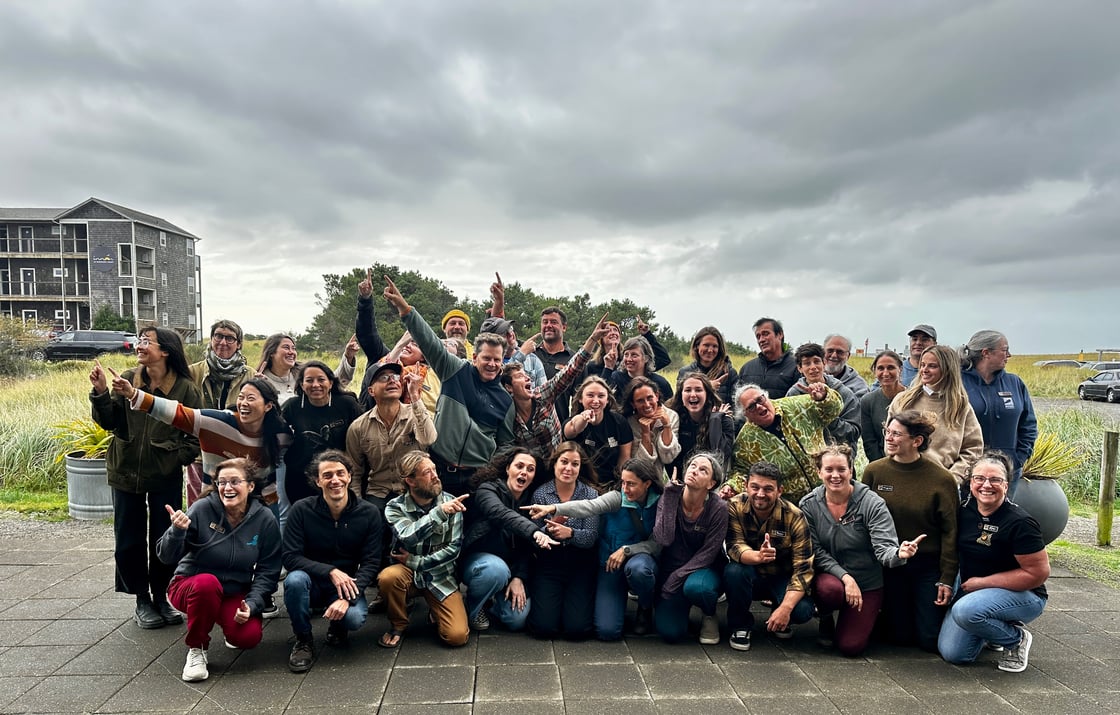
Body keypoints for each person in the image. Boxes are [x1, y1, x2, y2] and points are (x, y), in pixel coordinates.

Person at [89, 326, 201, 630]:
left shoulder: (185, 388)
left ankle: (162, 596)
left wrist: (174, 459)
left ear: (165, 350)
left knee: (165, 536)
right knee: (128, 538)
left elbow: (195, 434)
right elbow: (109, 422)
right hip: (124, 469)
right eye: (139, 340)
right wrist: (100, 392)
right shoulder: (128, 376)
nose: (139, 345)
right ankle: (141, 598)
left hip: (164, 475)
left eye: (146, 341)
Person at [382, 275, 514, 495]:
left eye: (497, 360)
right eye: (486, 358)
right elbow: (430, 343)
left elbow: (506, 443)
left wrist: (491, 470)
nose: (491, 364)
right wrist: (406, 310)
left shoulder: (505, 400)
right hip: (438, 468)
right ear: (474, 357)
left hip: (477, 476)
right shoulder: (456, 370)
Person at [157, 458, 282, 682]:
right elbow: (166, 557)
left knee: (248, 638)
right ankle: (197, 648)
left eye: (235, 481)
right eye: (222, 482)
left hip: (233, 591)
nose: (227, 488)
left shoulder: (264, 519)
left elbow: (269, 570)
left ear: (250, 486)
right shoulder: (202, 509)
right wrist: (176, 531)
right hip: (191, 585)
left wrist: (253, 604)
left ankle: (217, 619)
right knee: (207, 584)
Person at [799, 445, 923, 656]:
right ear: (819, 472)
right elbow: (815, 551)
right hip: (832, 578)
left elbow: (883, 548)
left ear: (851, 470)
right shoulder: (809, 505)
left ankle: (868, 615)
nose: (835, 475)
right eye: (829, 470)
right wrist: (845, 578)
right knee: (829, 590)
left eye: (841, 469)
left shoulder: (872, 503)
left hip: (866, 581)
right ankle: (826, 616)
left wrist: (898, 554)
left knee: (850, 646)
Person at [526, 456, 663, 640]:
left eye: (631, 484)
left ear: (647, 484)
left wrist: (627, 550)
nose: (625, 489)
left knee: (640, 570)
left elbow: (658, 542)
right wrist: (553, 508)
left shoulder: (661, 503)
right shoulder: (618, 497)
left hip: (639, 559)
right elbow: (589, 506)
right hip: (610, 563)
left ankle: (645, 606)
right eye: (623, 482)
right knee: (607, 631)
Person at [938, 452, 1050, 673]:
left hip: (1025, 595)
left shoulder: (1020, 523)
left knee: (965, 611)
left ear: (1006, 486)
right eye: (979, 478)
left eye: (995, 480)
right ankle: (993, 629)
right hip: (974, 591)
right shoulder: (964, 511)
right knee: (954, 654)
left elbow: (1037, 574)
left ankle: (1015, 639)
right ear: (970, 483)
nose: (986, 485)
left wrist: (982, 583)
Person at [862, 410, 959, 652]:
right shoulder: (874, 471)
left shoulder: (941, 479)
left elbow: (951, 532)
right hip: (890, 564)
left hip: (926, 565)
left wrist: (946, 578)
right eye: (888, 432)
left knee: (928, 640)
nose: (889, 438)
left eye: (897, 434)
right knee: (898, 638)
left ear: (917, 441)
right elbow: (861, 519)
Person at [282, 450, 382, 672]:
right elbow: (290, 557)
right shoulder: (301, 510)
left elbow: (371, 562)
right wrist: (330, 571)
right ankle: (303, 639)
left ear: (349, 476)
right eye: (327, 475)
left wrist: (348, 597)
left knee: (354, 619)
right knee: (294, 581)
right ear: (317, 481)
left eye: (340, 473)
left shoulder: (369, 513)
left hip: (347, 584)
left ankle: (338, 626)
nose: (334, 480)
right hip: (312, 581)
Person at [377, 450, 470, 648]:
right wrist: (439, 513)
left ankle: (436, 609)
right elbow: (408, 536)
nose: (436, 475)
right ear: (410, 480)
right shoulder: (394, 507)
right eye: (427, 472)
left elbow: (453, 549)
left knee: (457, 636)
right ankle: (398, 624)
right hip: (407, 573)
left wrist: (415, 561)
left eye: (434, 469)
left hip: (440, 575)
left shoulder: (451, 501)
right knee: (388, 578)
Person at [461, 447, 558, 632]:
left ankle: (492, 603)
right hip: (480, 563)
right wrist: (535, 532)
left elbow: (526, 549)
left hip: (510, 569)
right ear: (507, 468)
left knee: (516, 620)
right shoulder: (487, 489)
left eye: (530, 469)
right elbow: (501, 514)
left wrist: (519, 577)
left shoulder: (533, 499)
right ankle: (474, 605)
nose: (524, 472)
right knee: (495, 570)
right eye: (519, 466)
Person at [724, 461, 813, 651]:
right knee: (734, 571)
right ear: (746, 485)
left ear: (780, 491)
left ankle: (779, 615)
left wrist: (786, 608)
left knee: (802, 611)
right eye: (754, 487)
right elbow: (734, 545)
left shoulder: (795, 516)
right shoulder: (735, 506)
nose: (760, 494)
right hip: (750, 574)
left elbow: (804, 569)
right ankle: (740, 625)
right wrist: (758, 556)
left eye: (768, 489)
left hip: (782, 577)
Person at [502, 314, 609, 454]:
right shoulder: (508, 411)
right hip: (530, 470)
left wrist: (593, 339)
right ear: (509, 387)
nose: (527, 378)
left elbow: (572, 369)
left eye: (527, 375)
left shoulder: (543, 394)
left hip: (556, 463)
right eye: (520, 376)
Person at [526, 442, 601, 640]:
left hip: (580, 564)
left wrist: (571, 533)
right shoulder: (541, 494)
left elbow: (591, 537)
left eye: (574, 464)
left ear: (580, 468)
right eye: (564, 462)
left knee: (577, 630)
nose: (568, 468)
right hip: (549, 563)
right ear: (555, 464)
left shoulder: (590, 495)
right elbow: (533, 536)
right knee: (543, 628)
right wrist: (551, 528)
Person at [724, 381, 842, 504]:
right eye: (751, 407)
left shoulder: (796, 405)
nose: (759, 406)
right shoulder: (745, 441)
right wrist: (731, 487)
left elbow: (834, 410)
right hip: (794, 507)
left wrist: (824, 397)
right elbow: (741, 472)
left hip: (830, 489)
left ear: (766, 396)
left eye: (760, 400)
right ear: (745, 415)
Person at [653, 453, 728, 644]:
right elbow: (663, 538)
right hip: (672, 567)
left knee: (698, 588)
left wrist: (678, 576)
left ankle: (709, 614)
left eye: (703, 470)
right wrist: (669, 498)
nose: (695, 470)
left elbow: (709, 553)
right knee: (671, 633)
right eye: (693, 466)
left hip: (703, 569)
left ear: (711, 483)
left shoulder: (718, 508)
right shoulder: (670, 495)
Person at [346, 362, 437, 511]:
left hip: (415, 489)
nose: (392, 380)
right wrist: (356, 505)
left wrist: (414, 395)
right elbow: (354, 471)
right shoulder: (358, 427)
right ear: (371, 390)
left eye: (395, 377)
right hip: (378, 492)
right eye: (383, 377)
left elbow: (429, 439)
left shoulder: (416, 413)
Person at [280, 361, 364, 520]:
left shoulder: (347, 404)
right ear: (302, 385)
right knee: (306, 519)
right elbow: (275, 431)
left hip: (337, 476)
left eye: (321, 379)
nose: (315, 385)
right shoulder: (292, 407)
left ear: (331, 383)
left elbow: (362, 436)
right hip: (300, 476)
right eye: (309, 380)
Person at [888, 345, 984, 483]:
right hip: (902, 479)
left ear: (947, 370)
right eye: (922, 365)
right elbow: (889, 440)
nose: (924, 370)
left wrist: (952, 479)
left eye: (932, 366)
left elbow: (973, 449)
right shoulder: (903, 401)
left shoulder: (961, 407)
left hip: (942, 485)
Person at [959, 330, 1037, 499]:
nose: (1009, 355)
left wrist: (1018, 459)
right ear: (986, 353)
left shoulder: (1014, 383)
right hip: (967, 471)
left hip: (1006, 471)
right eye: (1005, 349)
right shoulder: (958, 382)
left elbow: (1028, 424)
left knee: (1003, 520)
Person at [186, 319, 253, 505]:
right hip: (200, 454)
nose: (223, 342)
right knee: (198, 507)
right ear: (211, 339)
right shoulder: (193, 373)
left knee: (234, 506)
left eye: (230, 338)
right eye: (218, 336)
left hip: (235, 456)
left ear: (239, 344)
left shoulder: (250, 375)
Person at [785, 343, 861, 455]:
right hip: (807, 459)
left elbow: (853, 433)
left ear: (824, 363)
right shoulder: (794, 394)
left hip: (839, 460)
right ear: (800, 368)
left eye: (816, 361)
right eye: (807, 363)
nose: (813, 367)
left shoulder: (843, 393)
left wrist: (826, 411)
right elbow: (788, 431)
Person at [563, 375, 633, 485]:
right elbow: (572, 430)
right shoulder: (574, 420)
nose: (596, 401)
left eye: (601, 396)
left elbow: (624, 460)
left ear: (608, 399)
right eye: (590, 395)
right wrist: (583, 419)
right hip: (581, 483)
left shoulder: (619, 422)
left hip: (611, 483)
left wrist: (621, 485)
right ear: (581, 399)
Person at [667, 372, 735, 478]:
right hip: (678, 480)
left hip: (710, 481)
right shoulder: (674, 419)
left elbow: (721, 456)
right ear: (681, 396)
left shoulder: (723, 420)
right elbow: (668, 458)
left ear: (707, 394)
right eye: (688, 390)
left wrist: (714, 422)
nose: (693, 394)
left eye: (698, 390)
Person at [623, 376, 682, 482]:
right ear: (633, 404)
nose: (646, 404)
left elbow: (668, 458)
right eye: (640, 401)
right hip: (641, 480)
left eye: (650, 398)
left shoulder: (671, 416)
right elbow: (640, 465)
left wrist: (667, 425)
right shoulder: (630, 423)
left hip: (670, 476)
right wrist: (645, 434)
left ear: (657, 396)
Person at [860, 350, 905, 462]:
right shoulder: (868, 401)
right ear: (874, 371)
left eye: (890, 368)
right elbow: (869, 442)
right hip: (880, 464)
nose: (885, 373)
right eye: (880, 368)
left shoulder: (911, 398)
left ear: (900, 369)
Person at [737, 317, 798, 399]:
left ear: (780, 335)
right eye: (758, 336)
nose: (761, 340)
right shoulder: (746, 369)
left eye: (765, 334)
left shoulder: (796, 367)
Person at [677, 326, 737, 406]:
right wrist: (708, 387)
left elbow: (737, 406)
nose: (710, 350)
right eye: (706, 345)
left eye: (715, 346)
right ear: (697, 346)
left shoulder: (729, 373)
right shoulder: (685, 373)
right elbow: (679, 404)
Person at [480, 315, 546, 388]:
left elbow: (543, 392)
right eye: (504, 333)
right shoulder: (488, 364)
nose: (511, 334)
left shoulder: (532, 358)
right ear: (492, 342)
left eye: (510, 329)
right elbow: (497, 384)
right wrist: (521, 354)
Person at [609, 335, 673, 403]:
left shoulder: (660, 383)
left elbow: (670, 408)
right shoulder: (616, 378)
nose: (629, 359)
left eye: (634, 355)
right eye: (626, 355)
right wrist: (608, 367)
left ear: (646, 359)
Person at [257, 333, 300, 405]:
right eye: (286, 347)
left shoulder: (303, 376)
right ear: (272, 352)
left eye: (293, 348)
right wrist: (255, 387)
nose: (291, 352)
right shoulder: (260, 379)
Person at [823, 334, 870, 398]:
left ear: (848, 356)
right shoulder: (810, 377)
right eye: (830, 351)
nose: (834, 355)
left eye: (840, 352)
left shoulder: (859, 387)